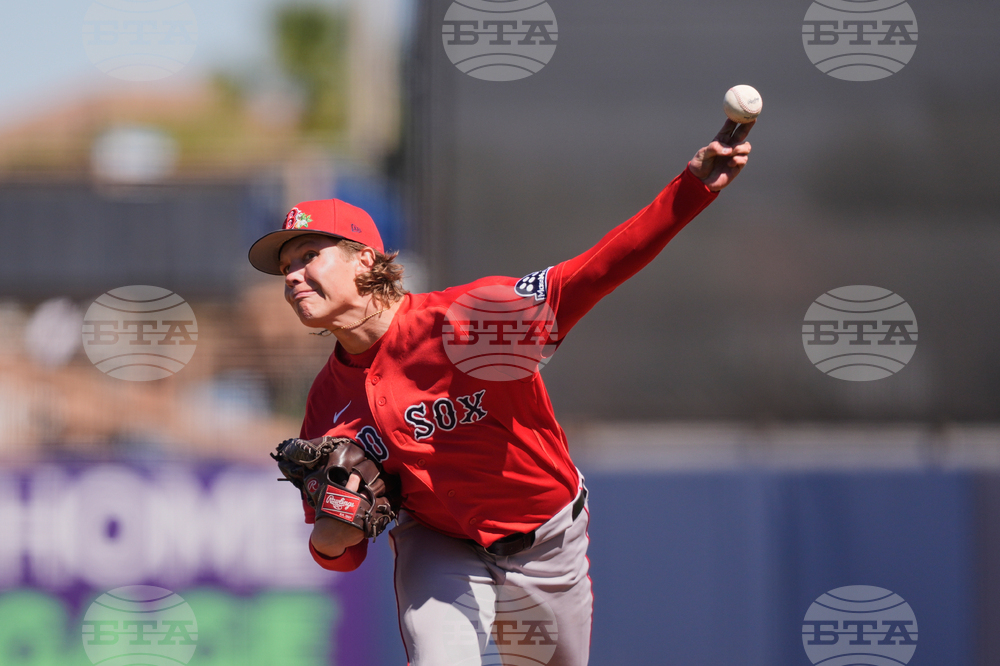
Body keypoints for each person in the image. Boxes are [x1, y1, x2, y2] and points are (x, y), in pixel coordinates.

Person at [248, 119, 754, 665]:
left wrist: (691, 189)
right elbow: (338, 552)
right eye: (284, 268)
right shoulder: (327, 401)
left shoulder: (466, 321)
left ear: (364, 259)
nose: (292, 276)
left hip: (546, 537)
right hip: (439, 542)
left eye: (308, 256)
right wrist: (330, 535)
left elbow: (593, 272)